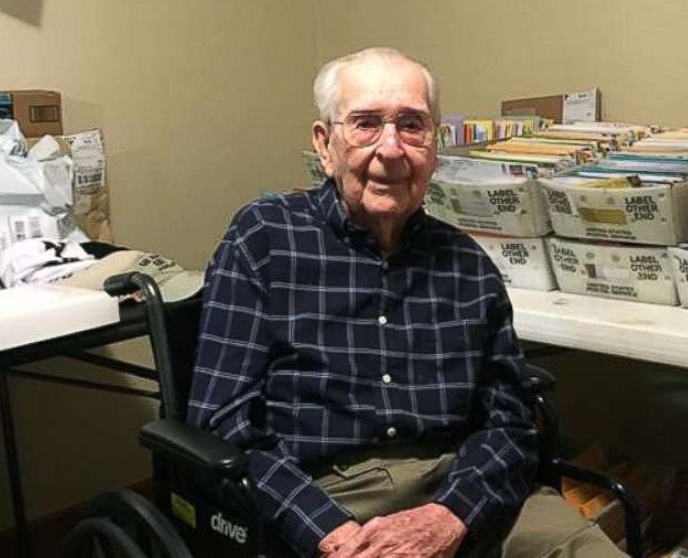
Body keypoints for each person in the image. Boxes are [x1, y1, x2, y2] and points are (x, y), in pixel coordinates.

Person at [188, 46, 625, 558]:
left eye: (411, 125)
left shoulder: (467, 263)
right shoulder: (263, 238)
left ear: (433, 146)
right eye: (366, 124)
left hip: (461, 486)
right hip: (325, 493)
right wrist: (329, 533)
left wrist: (451, 515)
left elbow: (507, 421)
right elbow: (224, 420)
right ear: (325, 144)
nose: (391, 149)